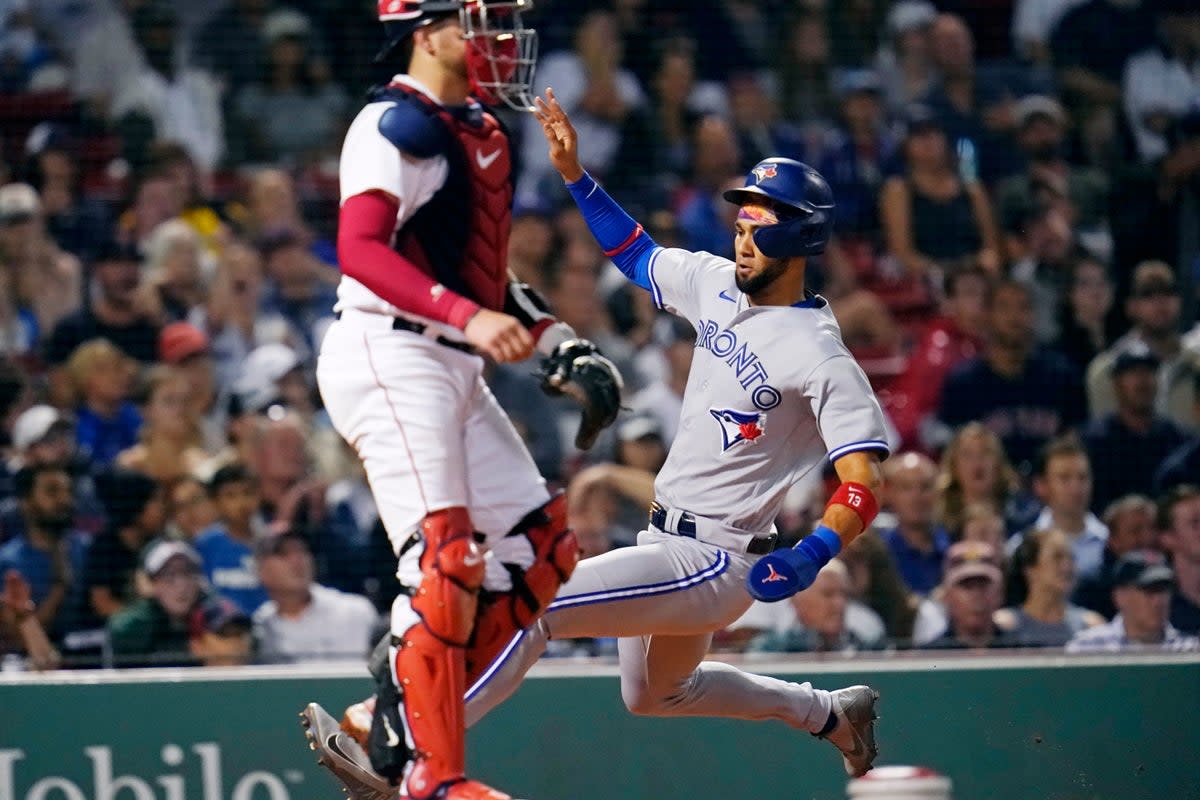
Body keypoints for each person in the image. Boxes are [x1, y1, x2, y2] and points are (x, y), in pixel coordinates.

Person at [306, 96, 890, 798]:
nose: (743, 235)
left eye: (761, 224)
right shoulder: (715, 284)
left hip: (715, 556)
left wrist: (810, 555)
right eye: (742, 219)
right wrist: (577, 177)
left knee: (535, 605)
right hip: (670, 535)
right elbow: (636, 252)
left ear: (802, 239)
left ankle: (401, 742)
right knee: (656, 695)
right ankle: (831, 714)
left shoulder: (821, 355)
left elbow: (862, 479)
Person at [300, 6, 620, 800]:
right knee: (446, 562)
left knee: (541, 556)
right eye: (478, 21)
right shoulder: (390, 123)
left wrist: (556, 342)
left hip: (450, 361)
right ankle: (428, 778)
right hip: (389, 349)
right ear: (426, 27)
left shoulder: (478, 126)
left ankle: (381, 723)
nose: (497, 41)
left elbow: (479, 271)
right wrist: (466, 317)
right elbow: (361, 249)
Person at [252, 527, 379, 664]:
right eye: (283, 554)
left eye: (301, 550)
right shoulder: (260, 626)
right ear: (261, 570)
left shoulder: (355, 611)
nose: (297, 560)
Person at [1066, 550, 1200, 652]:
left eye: (1163, 590)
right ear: (1120, 597)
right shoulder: (1089, 648)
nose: (1158, 600)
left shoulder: (1190, 650)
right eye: (1149, 590)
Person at [996, 528, 1105, 646]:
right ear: (1031, 570)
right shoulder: (1004, 627)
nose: (1067, 566)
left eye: (1071, 558)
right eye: (1057, 557)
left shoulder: (1091, 627)